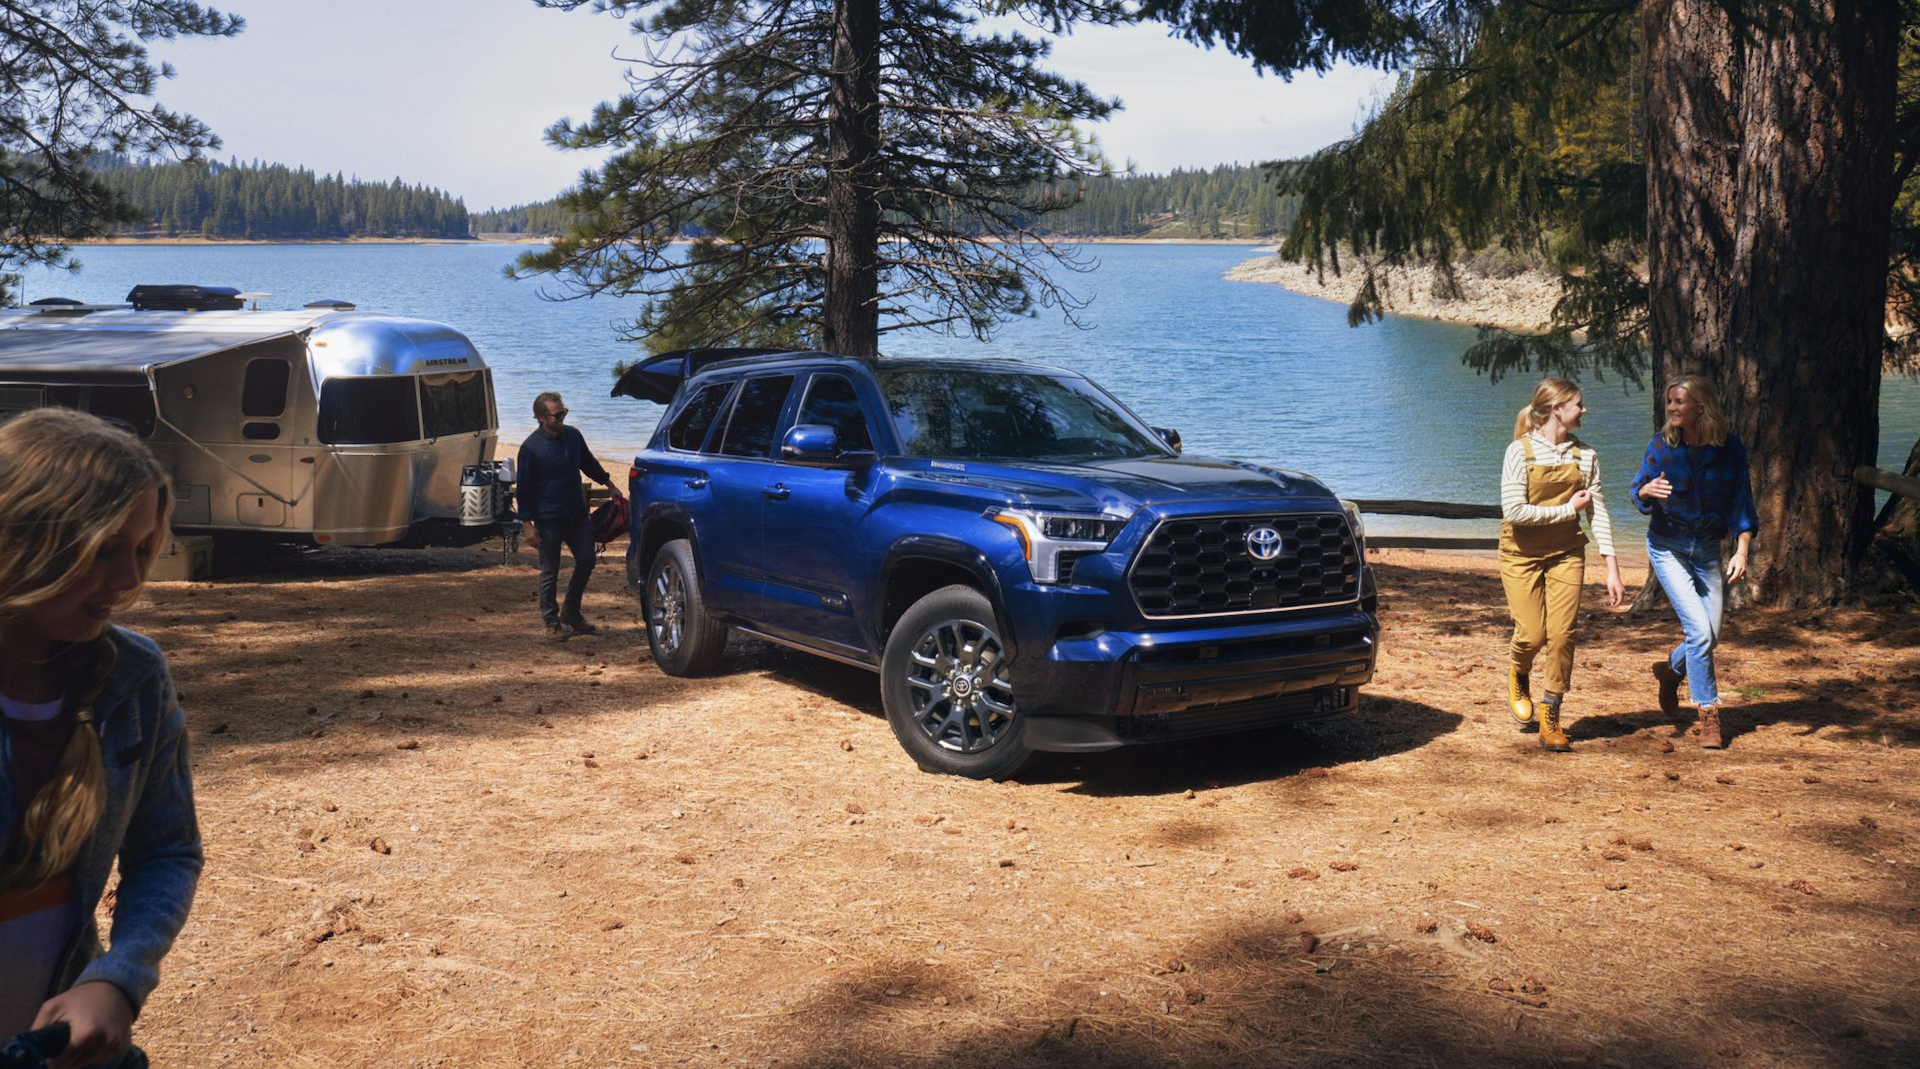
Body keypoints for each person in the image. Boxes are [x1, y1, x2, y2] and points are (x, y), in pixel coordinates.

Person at [0, 407, 203, 1069]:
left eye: (142, 548)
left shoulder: (135, 677)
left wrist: (118, 976)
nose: (129, 580)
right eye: (105, 547)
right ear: (25, 536)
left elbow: (168, 849)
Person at [1629, 373, 1757, 749]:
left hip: (1706, 551)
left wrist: (1742, 549)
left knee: (1710, 635)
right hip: (1667, 548)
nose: (1671, 408)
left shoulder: (1729, 449)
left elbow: (1742, 505)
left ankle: (1670, 671)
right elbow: (1638, 492)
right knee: (1700, 633)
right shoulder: (1661, 446)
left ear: (1701, 406)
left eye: (1679, 402)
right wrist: (1646, 492)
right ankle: (1709, 714)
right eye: (1669, 402)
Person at [1498, 379, 1627, 752]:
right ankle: (1519, 672)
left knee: (1563, 634)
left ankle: (1551, 713)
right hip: (1520, 554)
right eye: (1578, 405)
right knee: (1532, 635)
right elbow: (1515, 513)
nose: (1584, 410)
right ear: (1557, 409)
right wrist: (1568, 509)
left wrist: (1612, 568)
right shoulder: (1518, 452)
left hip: (1567, 552)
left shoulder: (1585, 456)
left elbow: (1598, 513)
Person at [518, 392, 624, 641]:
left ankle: (571, 612)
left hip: (577, 515)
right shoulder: (530, 448)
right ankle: (551, 622)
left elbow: (588, 462)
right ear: (541, 417)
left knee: (587, 561)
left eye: (564, 412)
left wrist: (609, 484)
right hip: (548, 520)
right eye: (557, 415)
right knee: (550, 572)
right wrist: (527, 524)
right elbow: (523, 489)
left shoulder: (573, 436)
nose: (562, 418)